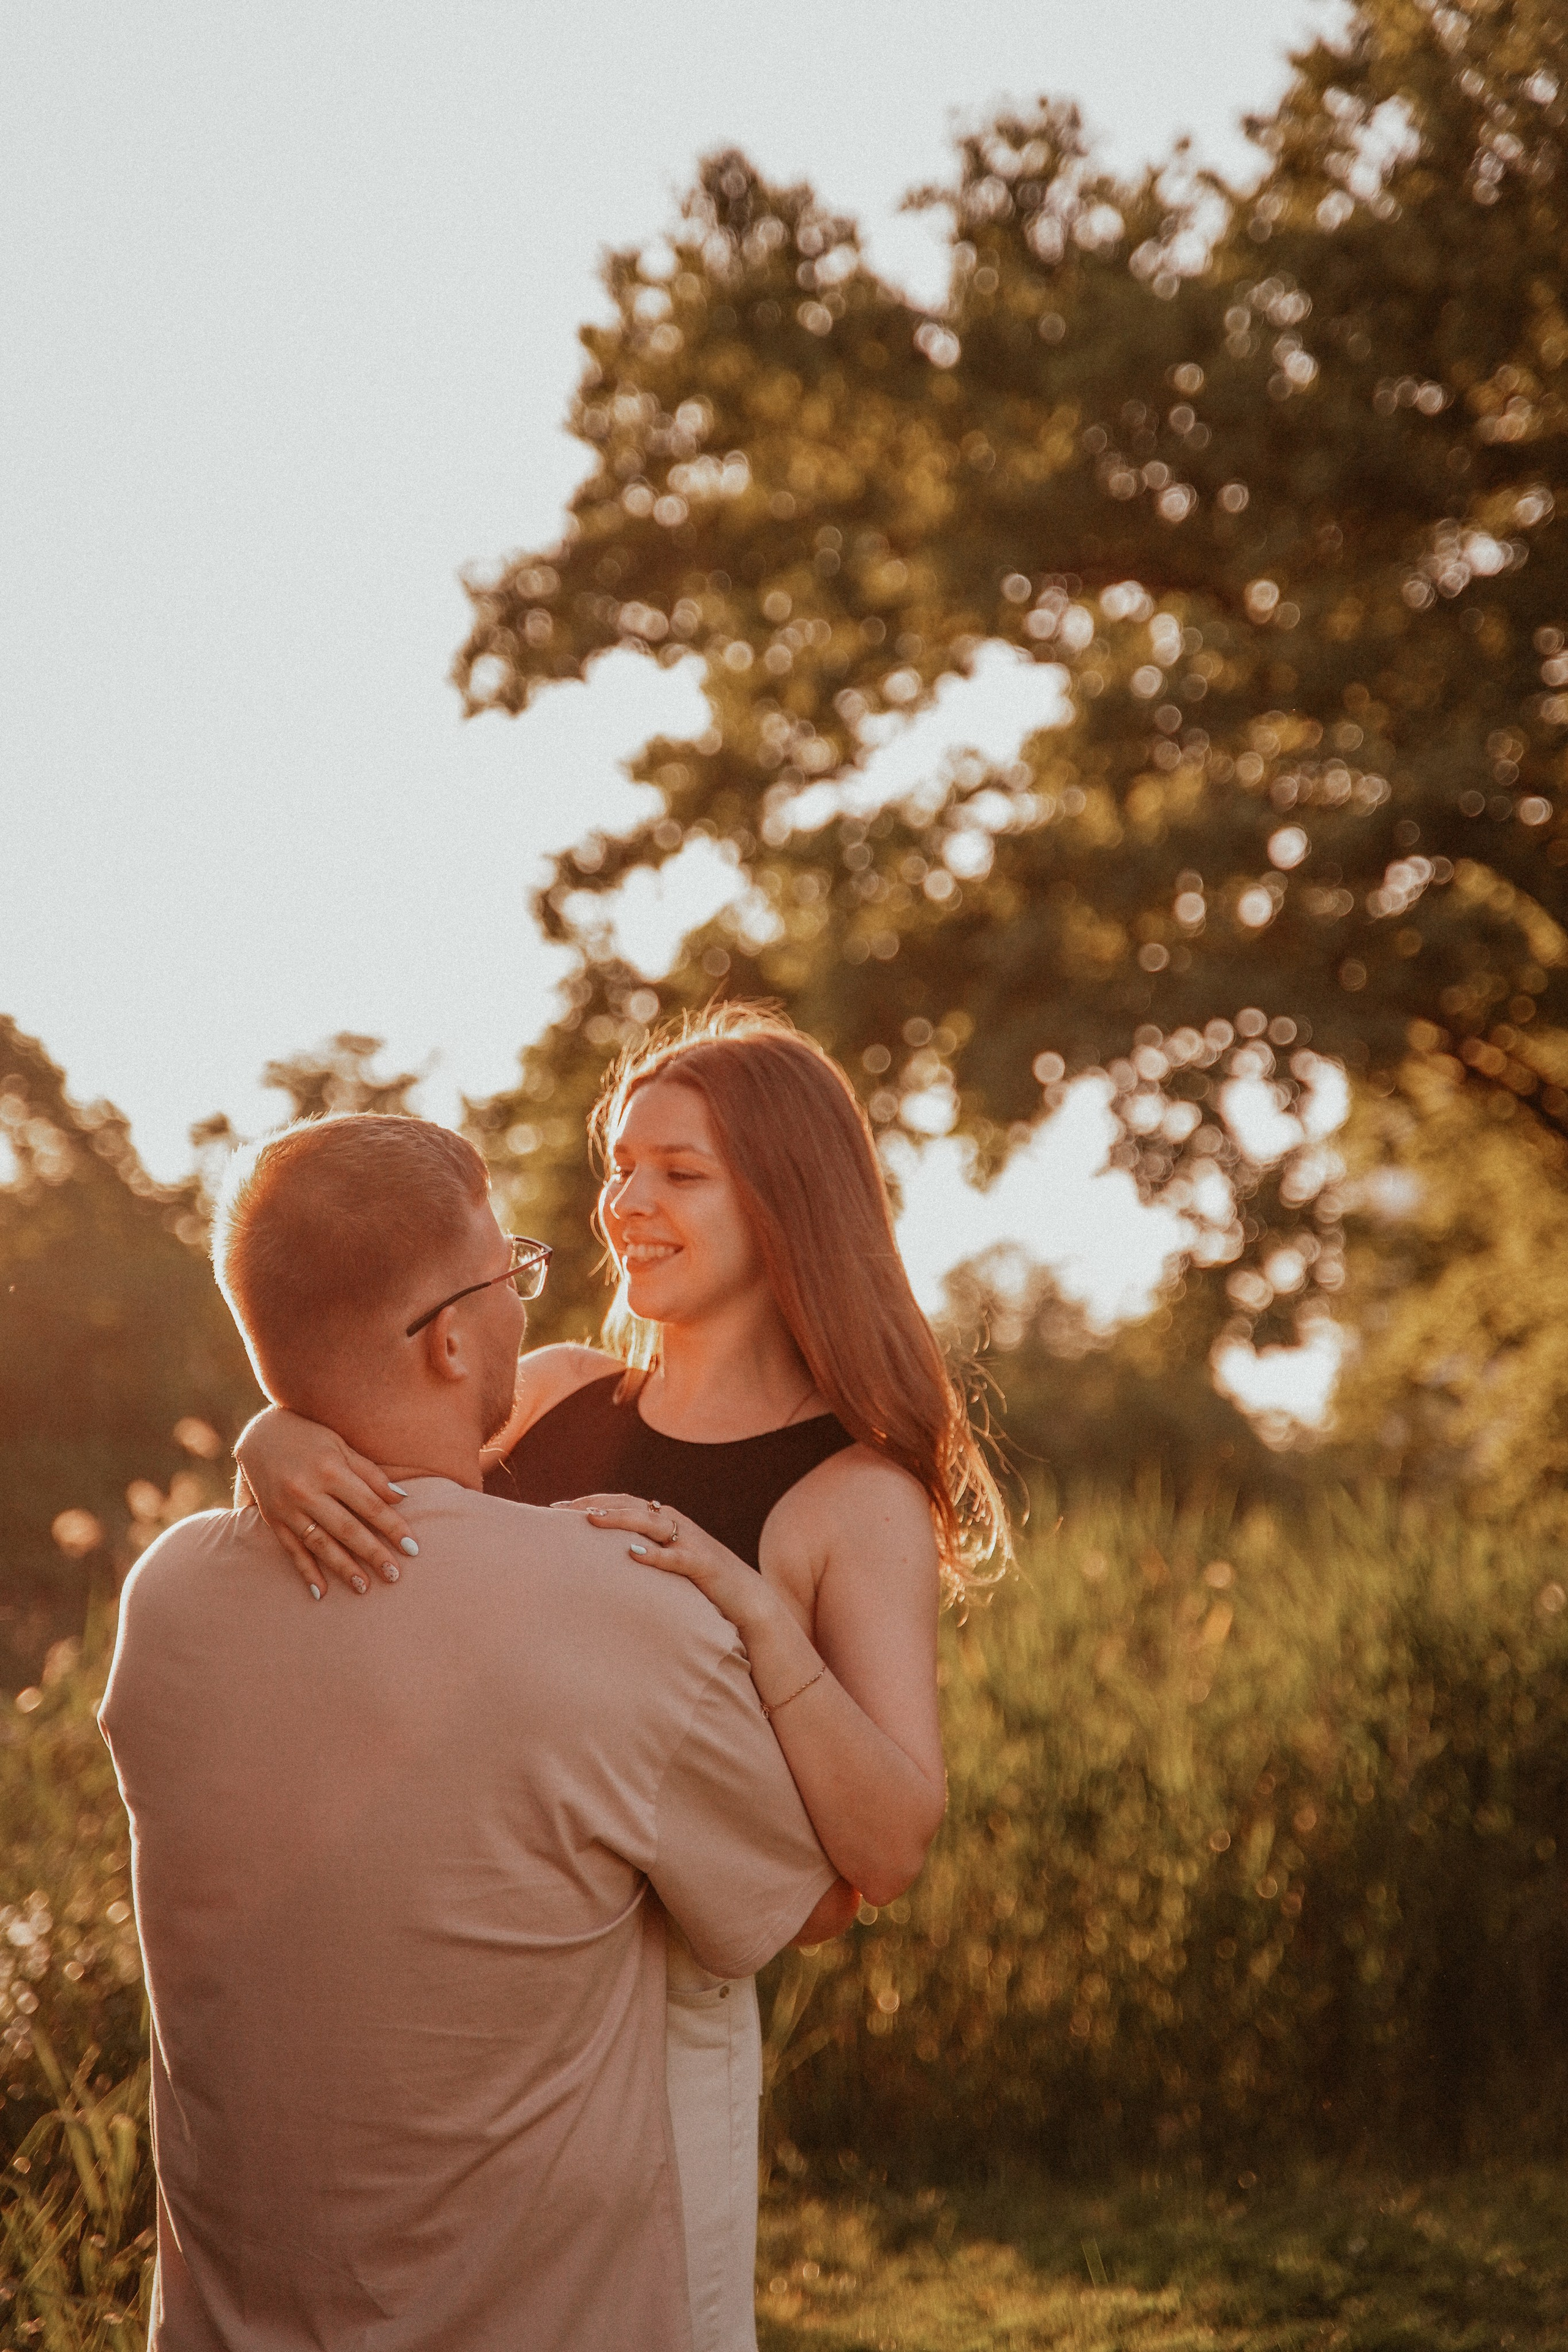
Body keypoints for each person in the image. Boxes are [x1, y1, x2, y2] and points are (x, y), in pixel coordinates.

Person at [237, 1005, 1008, 2352]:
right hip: (469, 1983)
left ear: (787, 1206)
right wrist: (274, 1434)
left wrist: (753, 1618)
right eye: (619, 1163)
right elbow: (360, 1456)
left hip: (657, 2031)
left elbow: (888, 1842)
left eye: (678, 1173)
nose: (626, 1204)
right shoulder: (547, 1392)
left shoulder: (851, 1498)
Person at [99, 1111, 851, 2352]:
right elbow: (807, 1903)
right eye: (511, 1269)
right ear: (451, 1338)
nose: (528, 1298)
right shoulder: (623, 1608)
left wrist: (271, 1428)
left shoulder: (166, 1600)